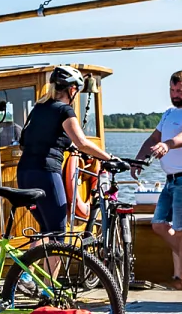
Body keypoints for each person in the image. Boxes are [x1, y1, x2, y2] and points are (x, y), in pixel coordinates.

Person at [17, 66, 116, 234]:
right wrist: (109, 158)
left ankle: (27, 261)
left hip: (24, 174)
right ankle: (53, 260)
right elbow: (82, 143)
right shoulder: (64, 110)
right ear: (72, 89)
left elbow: (25, 142)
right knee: (58, 233)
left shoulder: (38, 108)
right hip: (45, 174)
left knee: (46, 231)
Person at [133, 70, 182, 289]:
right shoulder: (168, 113)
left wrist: (168, 145)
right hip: (170, 179)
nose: (175, 94)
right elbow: (154, 138)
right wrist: (139, 159)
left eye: (180, 91)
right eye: (172, 90)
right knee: (158, 224)